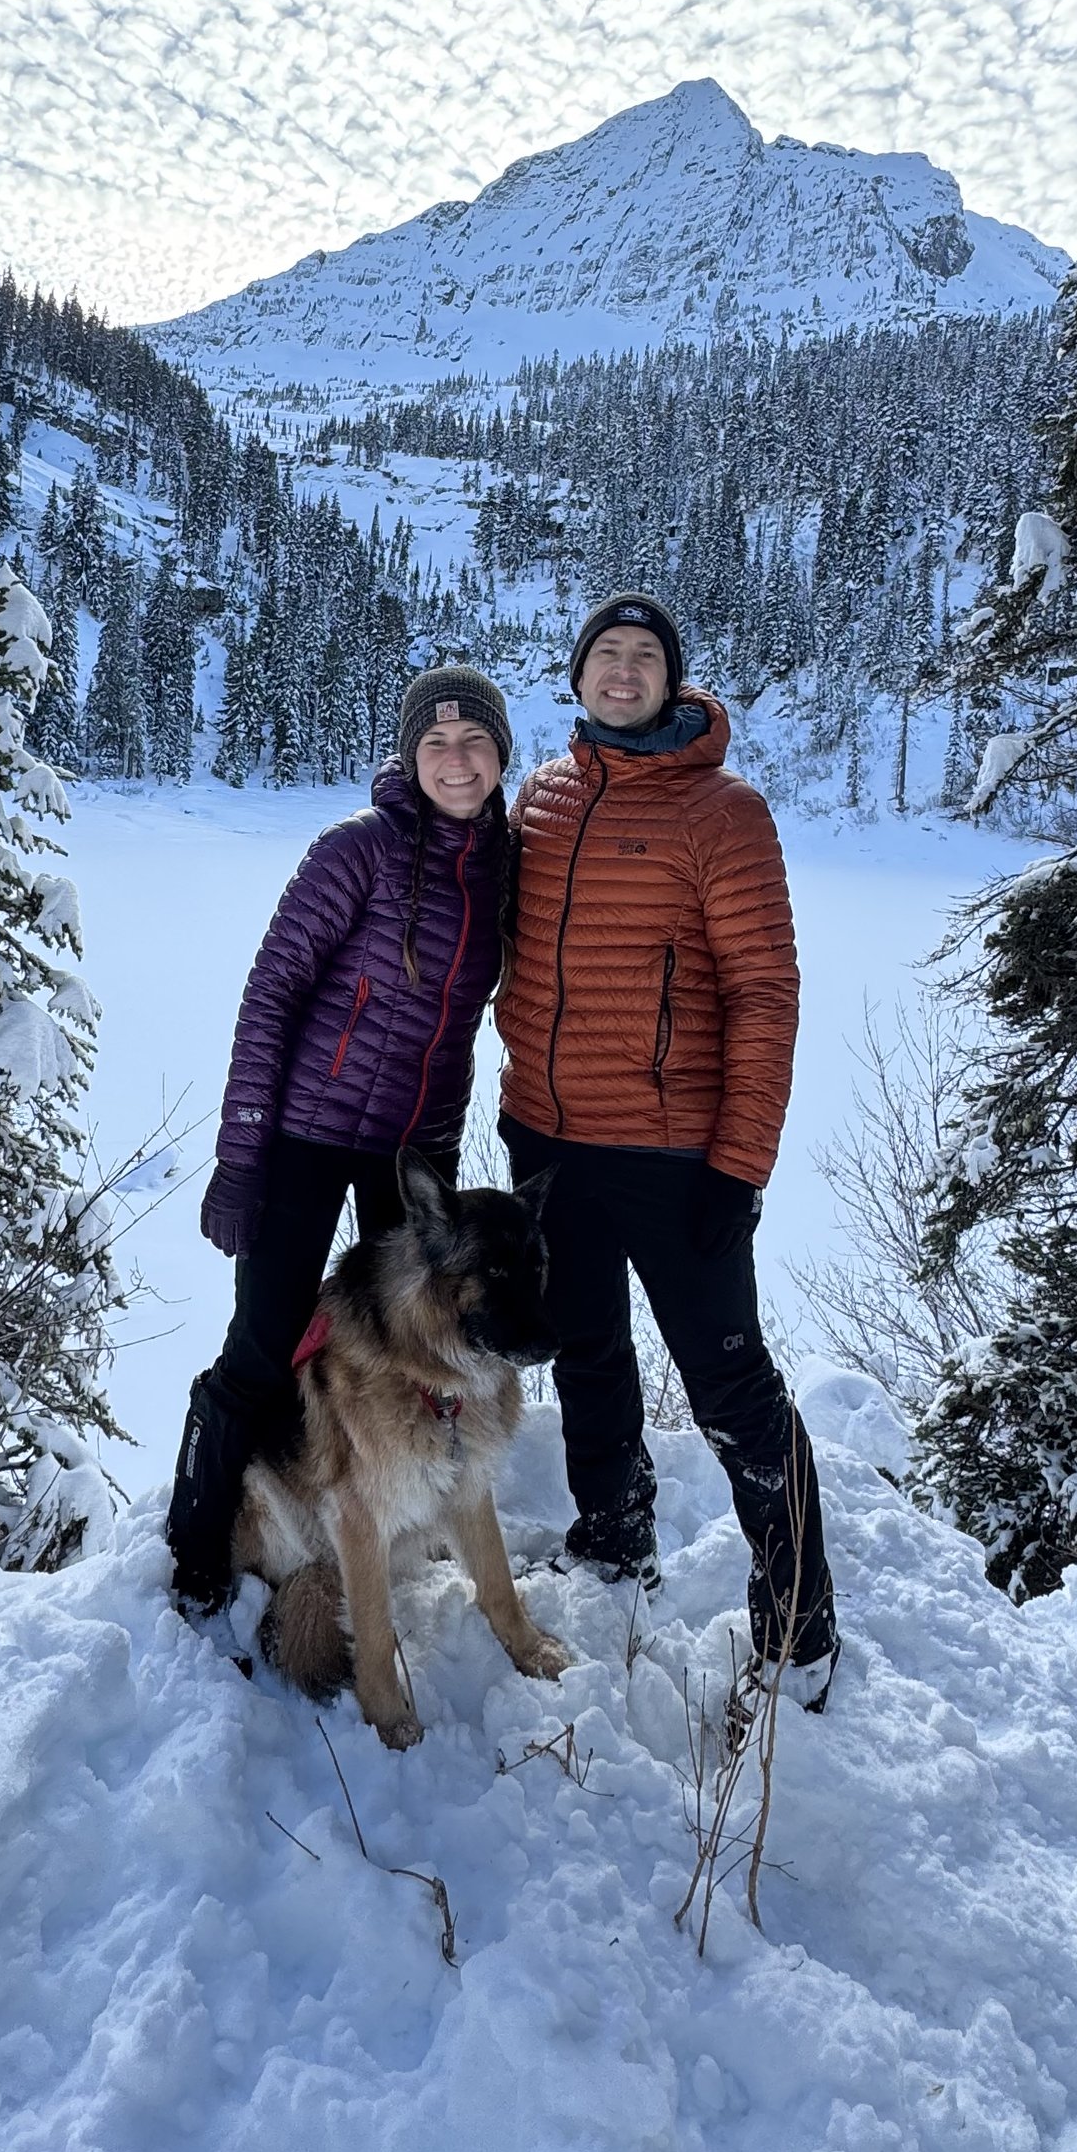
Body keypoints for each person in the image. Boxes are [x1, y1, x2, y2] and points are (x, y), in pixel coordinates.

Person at [497, 593, 838, 1697]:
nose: (624, 672)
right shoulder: (542, 800)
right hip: (547, 1139)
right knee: (588, 1353)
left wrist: (738, 1167)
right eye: (606, 655)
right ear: (577, 676)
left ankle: (799, 1629)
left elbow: (765, 993)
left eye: (645, 657)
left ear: (672, 679)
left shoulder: (721, 812)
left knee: (731, 1389)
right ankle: (611, 1533)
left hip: (673, 1152)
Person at [166, 665, 515, 1613]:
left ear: (500, 758)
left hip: (415, 1155)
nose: (456, 759)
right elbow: (269, 994)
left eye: (475, 742)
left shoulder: (502, 867)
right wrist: (242, 1155)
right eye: (436, 743)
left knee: (415, 1345)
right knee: (267, 1342)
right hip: (308, 1138)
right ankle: (197, 1550)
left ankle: (388, 1506)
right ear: (410, 755)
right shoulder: (355, 852)